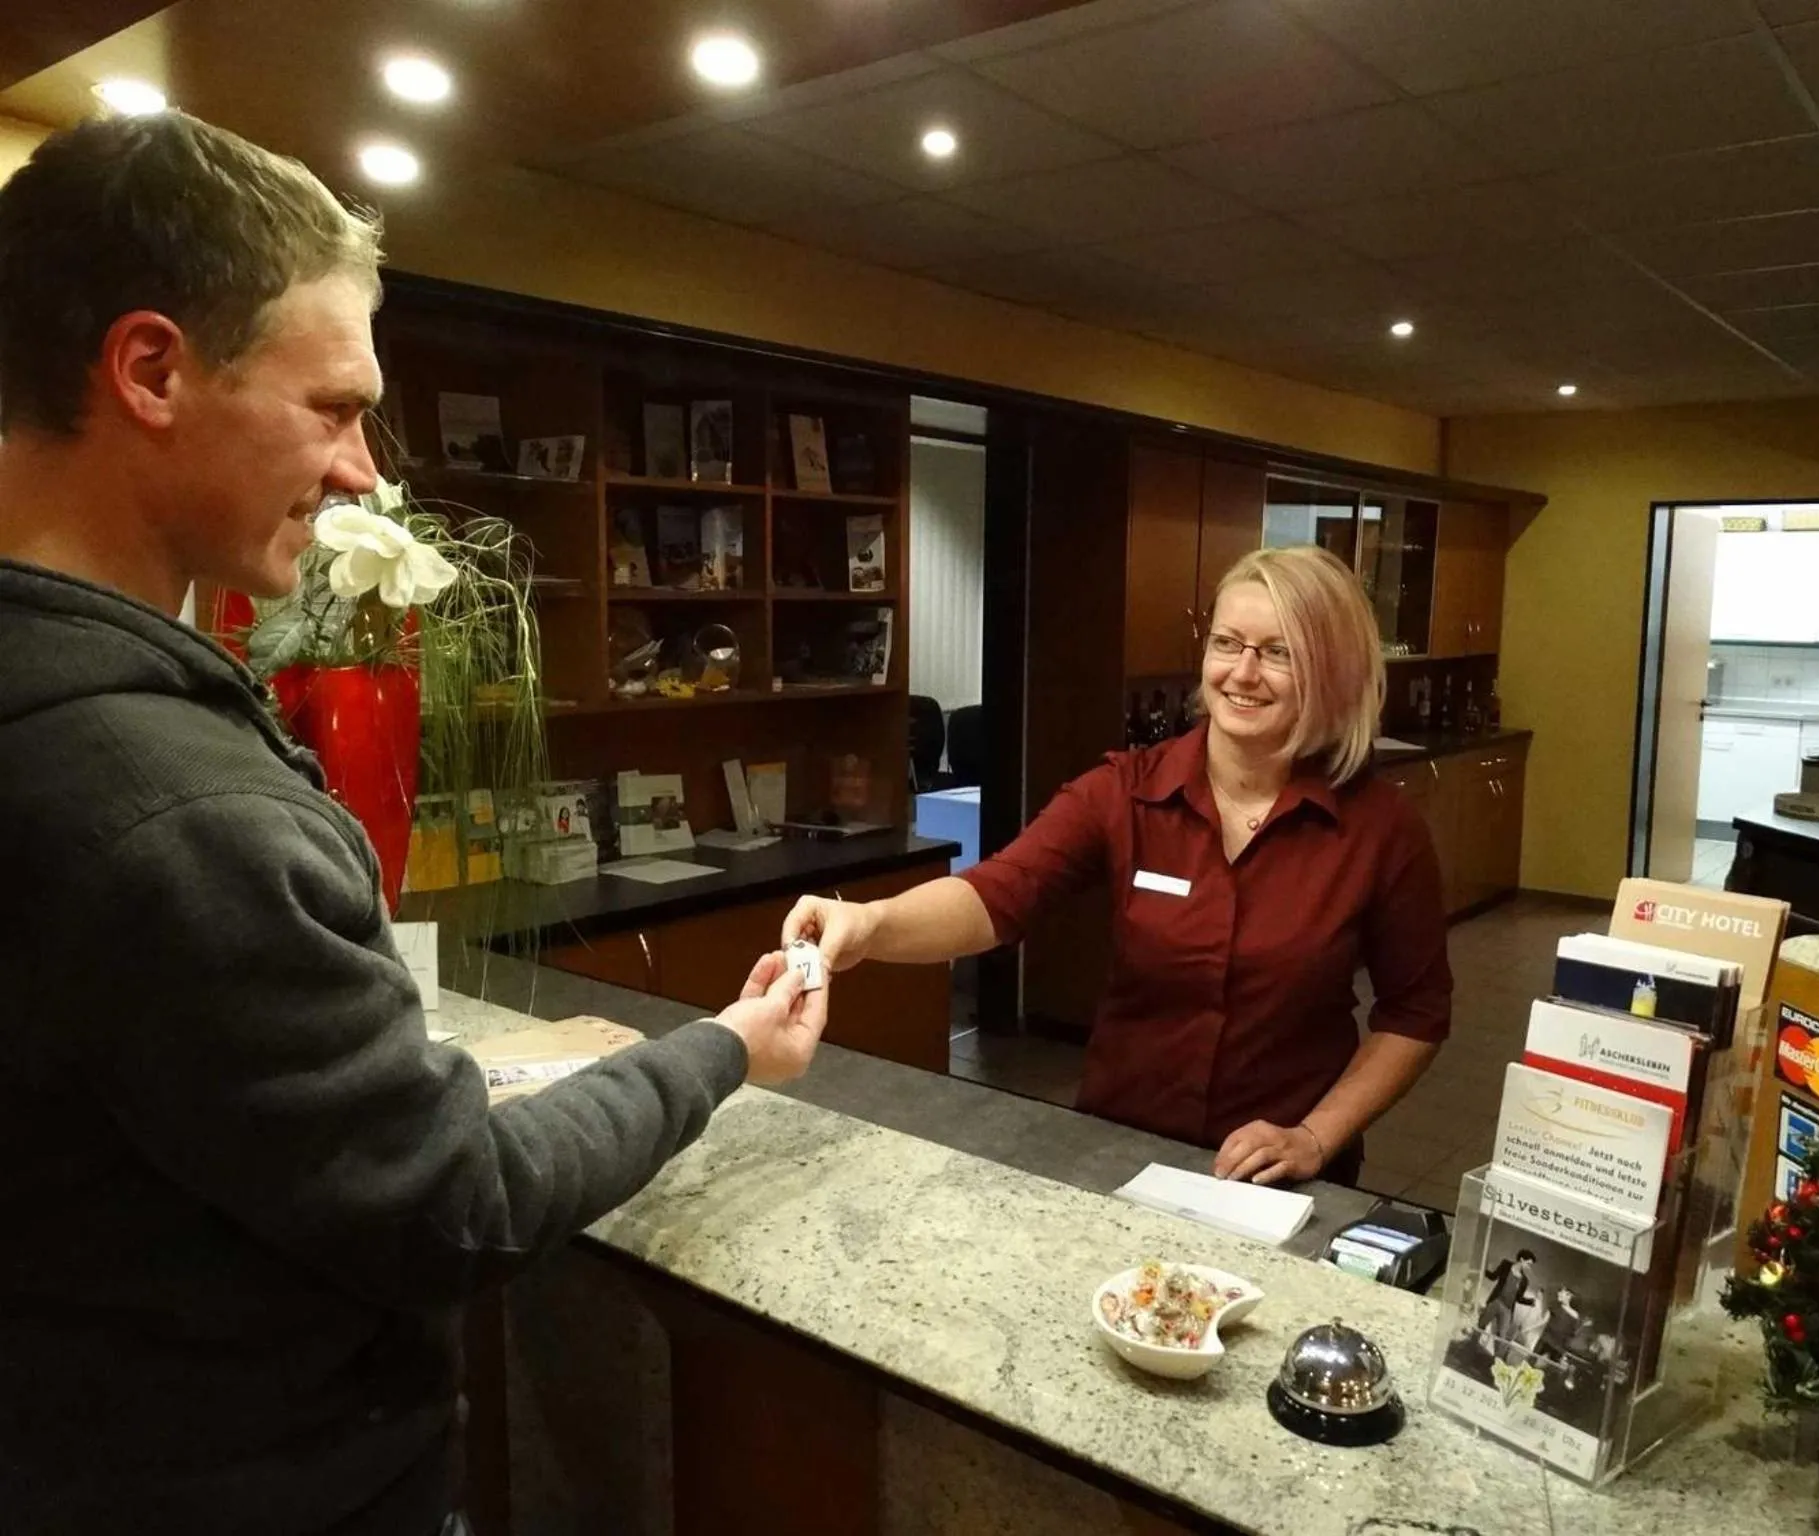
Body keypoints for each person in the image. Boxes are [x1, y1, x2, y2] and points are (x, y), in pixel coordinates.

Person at [0, 114, 828, 1536]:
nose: (364, 475)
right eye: (333, 406)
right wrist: (723, 1052)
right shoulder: (181, 815)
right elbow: (458, 1202)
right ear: (152, 372)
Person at [785, 544, 1451, 1186]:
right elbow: (998, 893)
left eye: (1279, 653)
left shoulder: (1381, 829)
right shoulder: (1125, 792)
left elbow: (1415, 1014)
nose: (1243, 673)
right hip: (1124, 1155)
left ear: (1331, 670)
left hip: (1281, 1180)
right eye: (1227, 643)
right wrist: (870, 923)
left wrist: (1314, 1137)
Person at [1477, 1249, 1538, 1356]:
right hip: (1496, 1301)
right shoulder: (1506, 1265)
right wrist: (1482, 1269)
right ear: (1521, 1259)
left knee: (1502, 1336)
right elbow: (1493, 1277)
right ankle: (1470, 1345)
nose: (1529, 1267)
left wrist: (1530, 1302)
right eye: (1528, 1264)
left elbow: (1518, 1298)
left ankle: (1496, 1359)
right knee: (1481, 1325)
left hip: (1507, 1309)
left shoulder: (1524, 1281)